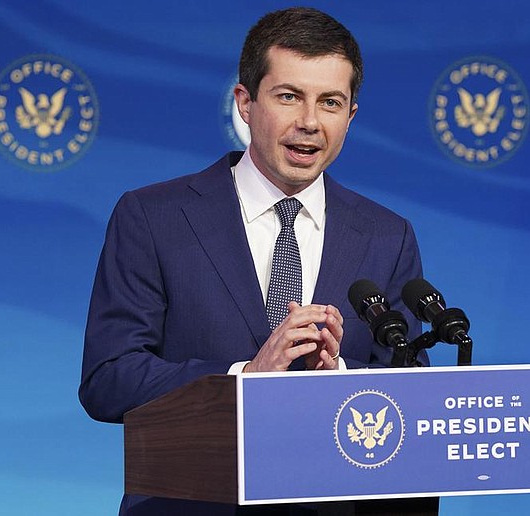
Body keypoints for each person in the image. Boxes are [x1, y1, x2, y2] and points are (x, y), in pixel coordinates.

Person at [79, 7, 430, 515]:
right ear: (245, 102)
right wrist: (246, 378)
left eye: (330, 102)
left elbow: (411, 392)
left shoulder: (386, 235)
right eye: (289, 96)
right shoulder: (153, 217)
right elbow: (109, 380)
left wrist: (336, 380)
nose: (309, 122)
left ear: (350, 116)